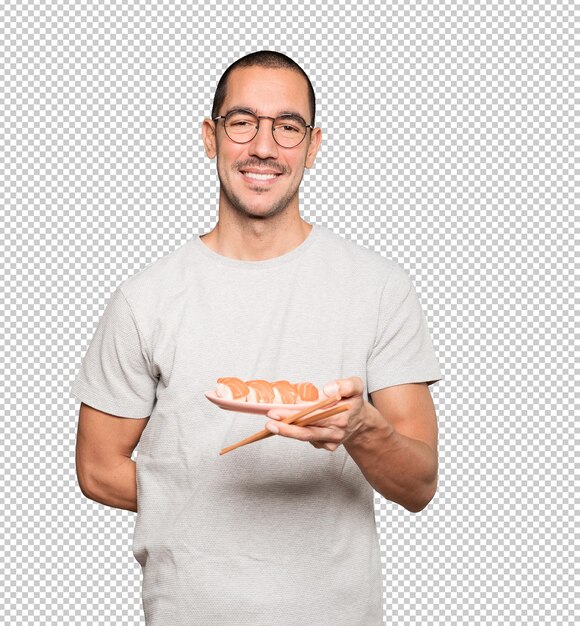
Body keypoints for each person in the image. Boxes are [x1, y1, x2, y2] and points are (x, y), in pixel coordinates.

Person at [73, 50, 443, 626]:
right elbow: (97, 468)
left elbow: (419, 484)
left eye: (287, 127)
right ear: (210, 137)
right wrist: (218, 494)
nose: (263, 147)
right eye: (242, 122)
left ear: (314, 146)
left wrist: (363, 429)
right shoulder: (143, 300)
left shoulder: (379, 288)